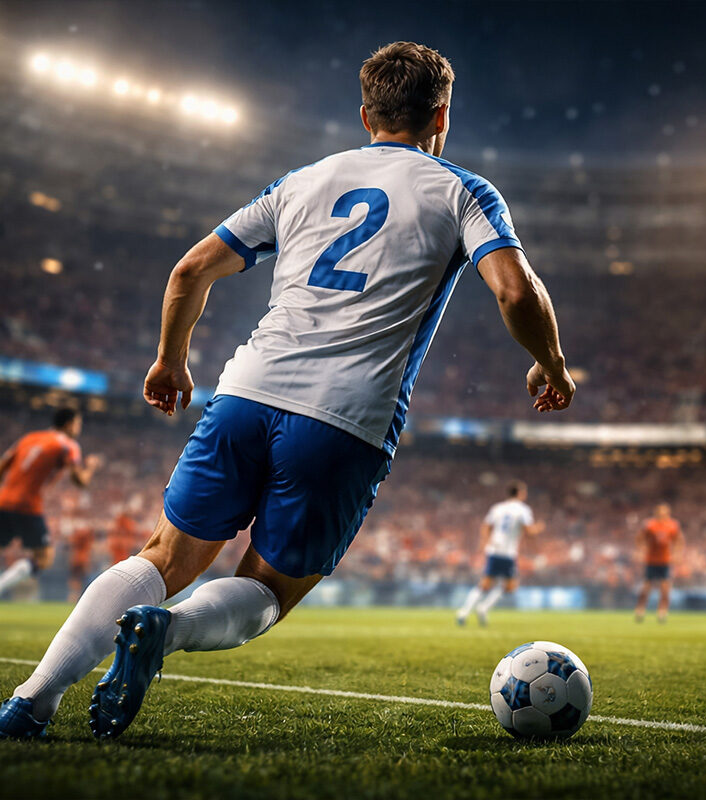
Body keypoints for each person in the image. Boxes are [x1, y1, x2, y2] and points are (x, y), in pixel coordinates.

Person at [0, 41, 575, 741]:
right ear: (442, 117)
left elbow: (189, 272)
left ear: (365, 114)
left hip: (243, 394)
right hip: (344, 419)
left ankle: (31, 700)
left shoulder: (302, 181)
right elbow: (514, 289)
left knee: (162, 557)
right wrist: (550, 361)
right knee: (268, 591)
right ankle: (169, 631)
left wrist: (170, 362)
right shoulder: (462, 190)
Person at [0, 408, 100, 599]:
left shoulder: (29, 438)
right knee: (44, 557)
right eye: (78, 424)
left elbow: (2, 466)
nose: (78, 429)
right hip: (29, 505)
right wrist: (92, 467)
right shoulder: (68, 445)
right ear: (70, 424)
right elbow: (80, 481)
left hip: (3, 500)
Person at [456, 480, 542, 625]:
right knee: (509, 586)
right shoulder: (523, 510)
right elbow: (529, 531)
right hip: (508, 553)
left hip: (494, 549)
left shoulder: (497, 508)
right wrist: (539, 527)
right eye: (524, 491)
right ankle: (482, 608)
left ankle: (465, 611)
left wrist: (483, 543)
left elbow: (486, 526)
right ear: (520, 493)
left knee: (486, 583)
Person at [634, 503, 685, 623]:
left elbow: (679, 540)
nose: (662, 515)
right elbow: (639, 538)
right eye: (660, 513)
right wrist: (640, 550)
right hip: (651, 560)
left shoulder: (673, 525)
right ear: (656, 513)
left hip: (665, 560)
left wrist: (677, 553)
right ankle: (640, 610)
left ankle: (662, 612)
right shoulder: (650, 525)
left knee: (665, 588)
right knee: (646, 587)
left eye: (665, 513)